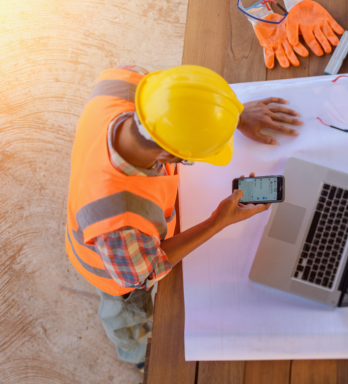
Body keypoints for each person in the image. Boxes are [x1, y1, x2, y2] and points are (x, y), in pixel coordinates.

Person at [65, 64, 302, 372]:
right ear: (168, 156)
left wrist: (235, 116)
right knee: (127, 317)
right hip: (114, 270)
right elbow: (144, 273)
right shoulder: (119, 223)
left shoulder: (123, 81)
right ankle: (135, 353)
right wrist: (217, 221)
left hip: (112, 218)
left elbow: (181, 100)